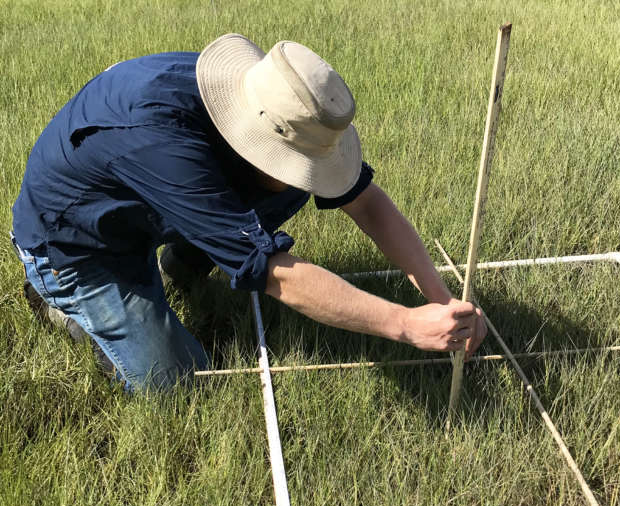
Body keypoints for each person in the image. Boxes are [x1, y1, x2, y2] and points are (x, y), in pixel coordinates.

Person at [11, 33, 487, 391]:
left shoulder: (262, 99)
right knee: (176, 384)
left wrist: (441, 298)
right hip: (76, 244)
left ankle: (183, 262)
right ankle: (63, 306)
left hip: (141, 198)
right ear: (255, 140)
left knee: (293, 189)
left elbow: (365, 200)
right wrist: (405, 324)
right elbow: (276, 274)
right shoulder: (167, 145)